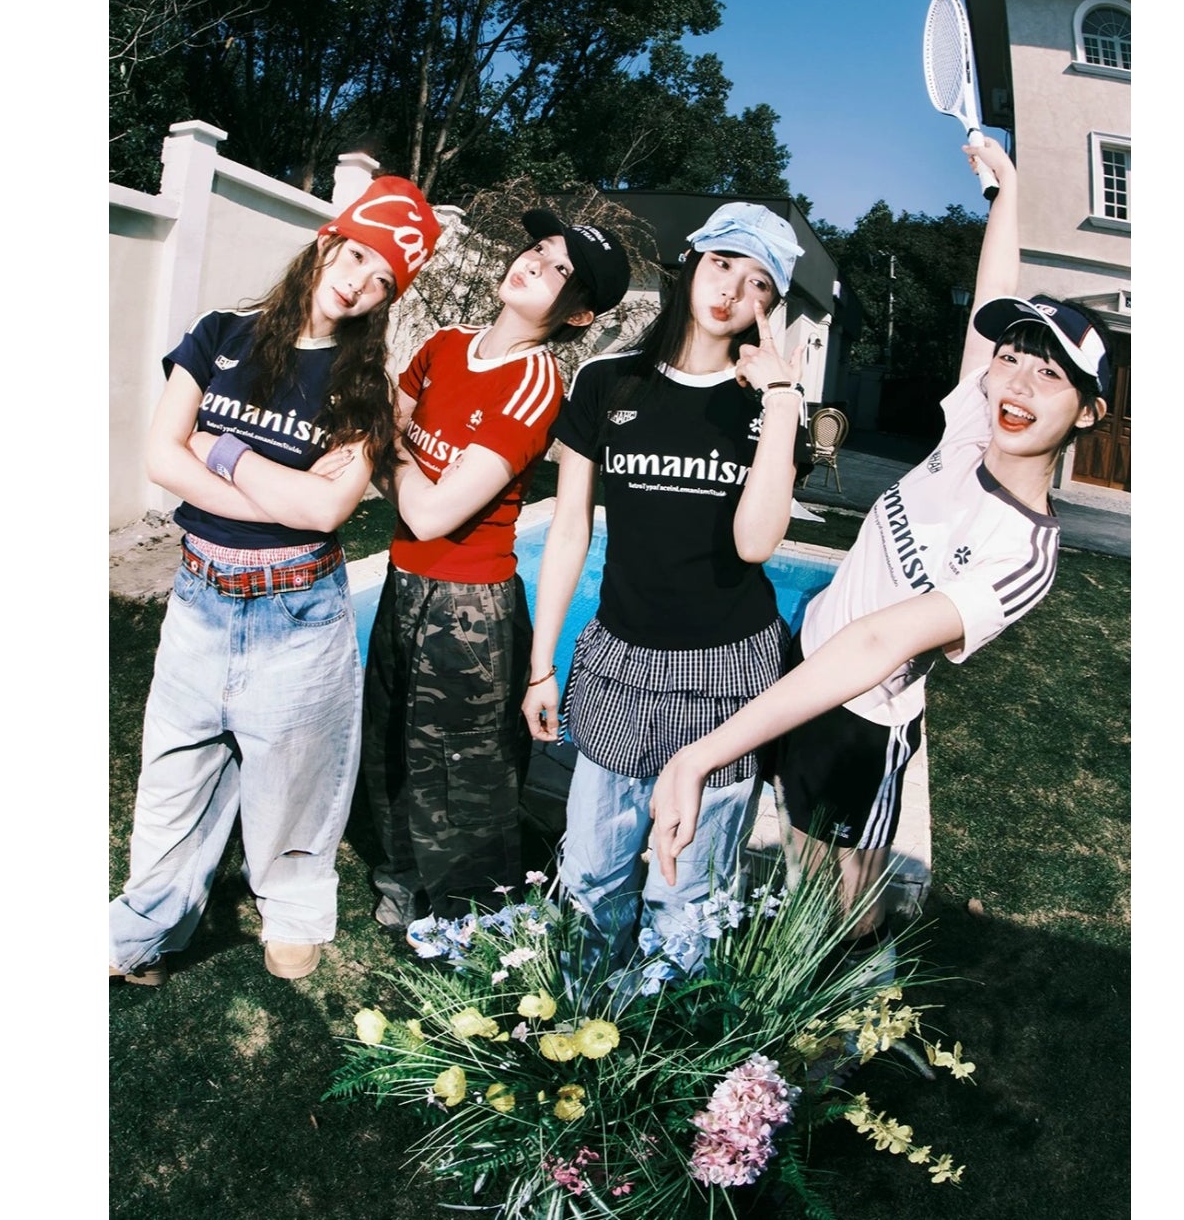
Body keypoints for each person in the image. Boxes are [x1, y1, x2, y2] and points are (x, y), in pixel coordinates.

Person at [647, 138, 1111, 948]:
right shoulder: (971, 428)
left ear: (1088, 411)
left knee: (843, 895)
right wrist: (1005, 193)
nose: (1013, 382)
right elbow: (993, 293)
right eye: (1008, 360)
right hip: (804, 660)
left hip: (862, 716)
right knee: (798, 856)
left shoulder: (1021, 553)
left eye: (1049, 374)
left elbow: (876, 644)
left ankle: (851, 991)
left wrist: (698, 755)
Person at [108, 177, 442, 986]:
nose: (359, 282)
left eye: (382, 280)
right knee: (174, 770)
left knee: (292, 774)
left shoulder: (363, 386)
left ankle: (291, 910)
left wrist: (221, 451)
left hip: (296, 608)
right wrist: (272, 490)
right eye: (356, 257)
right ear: (328, 242)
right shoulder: (220, 334)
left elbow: (324, 509)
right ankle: (150, 920)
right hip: (199, 595)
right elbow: (160, 458)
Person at [522, 202, 809, 977]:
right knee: (590, 873)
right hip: (617, 661)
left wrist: (782, 400)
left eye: (758, 284)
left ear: (770, 306)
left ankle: (662, 1040)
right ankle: (579, 1026)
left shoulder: (771, 406)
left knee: (687, 896)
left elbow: (755, 542)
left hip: (726, 673)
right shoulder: (607, 380)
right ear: (690, 262)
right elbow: (570, 529)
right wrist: (542, 664)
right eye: (722, 264)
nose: (731, 291)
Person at [356, 210, 631, 929]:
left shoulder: (534, 383)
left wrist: (391, 454)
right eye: (538, 248)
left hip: (468, 607)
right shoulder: (444, 343)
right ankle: (401, 880)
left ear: (579, 316)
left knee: (465, 772)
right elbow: (379, 435)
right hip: (403, 582)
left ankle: (470, 917)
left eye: (561, 269)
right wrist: (398, 458)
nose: (535, 261)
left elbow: (431, 511)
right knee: (389, 740)